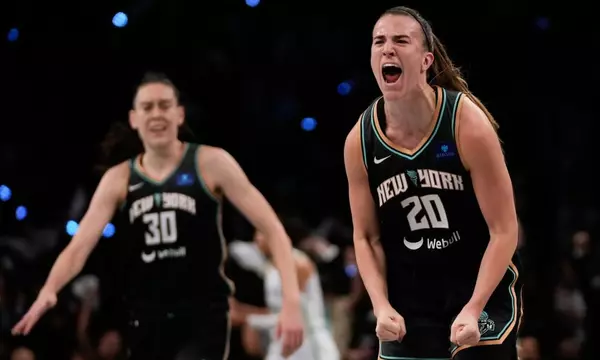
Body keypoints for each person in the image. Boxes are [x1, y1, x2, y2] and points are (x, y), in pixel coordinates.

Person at [11, 72, 304, 360]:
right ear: (134, 119)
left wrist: (291, 302)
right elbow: (79, 248)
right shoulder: (119, 179)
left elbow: (274, 230)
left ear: (179, 114)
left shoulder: (211, 163)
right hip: (145, 320)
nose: (156, 114)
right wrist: (50, 289)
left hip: (202, 317)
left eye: (164, 105)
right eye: (147, 107)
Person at [343, 6, 523, 360]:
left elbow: (504, 230)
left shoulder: (465, 123)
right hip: (410, 298)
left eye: (400, 40)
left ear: (426, 61)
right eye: (378, 41)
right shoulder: (359, 141)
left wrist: (474, 307)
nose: (387, 49)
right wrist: (380, 305)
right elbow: (365, 237)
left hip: (476, 288)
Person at [230, 229, 339, 360]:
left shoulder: (297, 263)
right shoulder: (270, 266)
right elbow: (277, 312)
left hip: (306, 342)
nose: (257, 239)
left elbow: (296, 315)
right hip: (282, 340)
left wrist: (250, 320)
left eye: (261, 233)